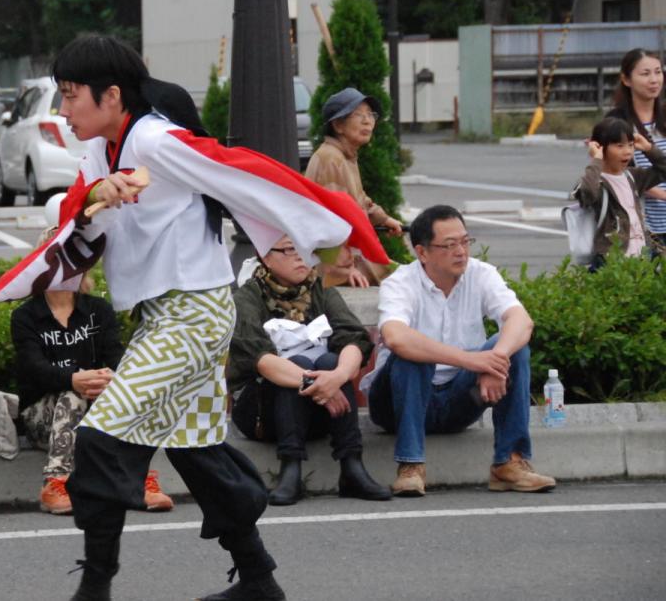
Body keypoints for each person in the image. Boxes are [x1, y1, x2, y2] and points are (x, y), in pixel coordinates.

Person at [0, 36, 388, 601]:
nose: (64, 109)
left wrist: (324, 225)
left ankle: (95, 589)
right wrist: (98, 192)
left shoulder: (153, 138)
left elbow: (235, 172)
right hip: (164, 315)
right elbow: (74, 211)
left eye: (72, 95)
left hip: (193, 314)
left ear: (111, 95)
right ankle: (258, 579)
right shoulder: (103, 150)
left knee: (101, 437)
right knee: (194, 449)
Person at [362, 205, 555, 498]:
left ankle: (510, 463)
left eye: (465, 242)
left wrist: (495, 361)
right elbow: (396, 337)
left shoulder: (481, 274)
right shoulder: (400, 282)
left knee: (515, 346)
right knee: (413, 352)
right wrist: (472, 360)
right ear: (422, 252)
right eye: (449, 245)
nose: (461, 252)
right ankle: (410, 466)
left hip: (458, 401)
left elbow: (521, 321)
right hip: (397, 404)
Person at [10, 231, 172, 516]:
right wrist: (73, 380)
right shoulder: (26, 316)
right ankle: (55, 482)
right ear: (42, 266)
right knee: (72, 397)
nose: (64, 267)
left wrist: (106, 379)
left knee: (126, 394)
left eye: (72, 259)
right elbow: (33, 369)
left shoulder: (98, 310)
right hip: (42, 417)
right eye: (55, 259)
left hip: (95, 410)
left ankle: (139, 479)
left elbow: (117, 359)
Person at [228, 235, 390, 506]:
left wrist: (336, 378)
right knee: (298, 364)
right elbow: (262, 360)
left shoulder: (319, 289)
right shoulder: (247, 297)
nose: (300, 257)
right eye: (290, 250)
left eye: (303, 249)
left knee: (331, 362)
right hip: (261, 414)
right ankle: (290, 467)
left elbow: (353, 339)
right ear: (265, 256)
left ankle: (351, 466)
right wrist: (315, 384)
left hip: (318, 409)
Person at [304, 87, 404, 288]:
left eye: (371, 115)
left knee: (407, 279)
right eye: (359, 115)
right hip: (334, 266)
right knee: (406, 282)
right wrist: (344, 270)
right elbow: (329, 221)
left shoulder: (344, 155)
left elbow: (359, 201)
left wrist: (383, 219)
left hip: (348, 257)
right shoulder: (331, 159)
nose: (368, 121)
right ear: (338, 125)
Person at [576, 117, 666, 269]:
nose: (627, 152)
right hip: (611, 262)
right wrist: (596, 160)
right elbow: (587, 193)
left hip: (641, 259)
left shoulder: (632, 176)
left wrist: (649, 149)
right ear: (600, 147)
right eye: (619, 146)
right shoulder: (597, 181)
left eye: (630, 145)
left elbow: (663, 170)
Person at [606, 48, 666, 250]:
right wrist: (662, 194)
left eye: (658, 72)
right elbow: (618, 175)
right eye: (645, 73)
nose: (654, 80)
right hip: (642, 226)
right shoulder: (616, 122)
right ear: (626, 79)